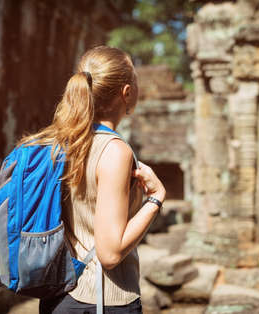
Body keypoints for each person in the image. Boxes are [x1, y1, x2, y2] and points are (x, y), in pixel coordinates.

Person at [20, 46, 166, 313]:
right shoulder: (114, 151)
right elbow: (109, 255)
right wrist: (156, 198)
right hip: (101, 299)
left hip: (58, 296)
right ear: (127, 92)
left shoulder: (60, 142)